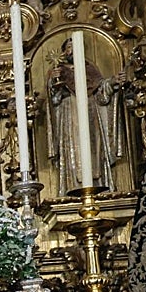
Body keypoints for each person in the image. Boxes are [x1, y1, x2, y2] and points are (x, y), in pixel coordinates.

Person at [46, 36, 122, 195]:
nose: (71, 50)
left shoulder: (90, 69)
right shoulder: (59, 71)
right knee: (73, 148)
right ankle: (71, 186)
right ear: (63, 51)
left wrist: (113, 81)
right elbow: (54, 99)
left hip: (91, 112)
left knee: (94, 147)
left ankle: (99, 185)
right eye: (68, 47)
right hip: (69, 112)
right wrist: (53, 83)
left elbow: (102, 92)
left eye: (74, 47)